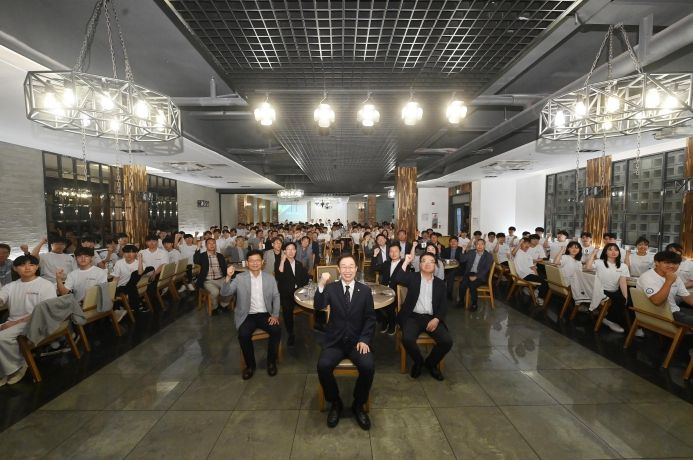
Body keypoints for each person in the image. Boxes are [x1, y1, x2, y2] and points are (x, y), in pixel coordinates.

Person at [314, 255, 376, 430]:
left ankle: (358, 403)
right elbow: (318, 305)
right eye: (344, 267)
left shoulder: (365, 291)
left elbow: (370, 318)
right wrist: (321, 283)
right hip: (335, 341)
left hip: (357, 341)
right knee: (323, 366)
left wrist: (364, 339)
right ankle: (335, 402)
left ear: (356, 269)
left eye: (351, 266)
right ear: (339, 270)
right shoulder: (331, 288)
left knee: (368, 366)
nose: (347, 270)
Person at [221, 250, 281, 380]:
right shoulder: (240, 278)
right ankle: (250, 366)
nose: (255, 263)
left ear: (262, 262)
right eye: (251, 261)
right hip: (247, 315)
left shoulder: (269, 278)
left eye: (257, 260)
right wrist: (228, 277)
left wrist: (275, 315)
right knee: (243, 335)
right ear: (247, 263)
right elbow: (225, 293)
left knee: (276, 330)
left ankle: (271, 362)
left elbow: (276, 296)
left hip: (265, 314)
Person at [394, 253, 452, 380]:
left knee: (447, 341)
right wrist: (406, 262)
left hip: (432, 318)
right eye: (424, 261)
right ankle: (418, 362)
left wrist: (436, 319)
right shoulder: (413, 277)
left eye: (431, 261)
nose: (427, 263)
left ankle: (431, 364)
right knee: (407, 339)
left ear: (435, 265)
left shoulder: (440, 284)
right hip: (412, 317)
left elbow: (443, 306)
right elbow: (398, 278)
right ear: (420, 265)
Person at [0, 255, 57, 386]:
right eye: (22, 265)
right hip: (14, 322)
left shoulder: (46, 285)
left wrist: (13, 323)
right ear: (15, 269)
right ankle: (3, 370)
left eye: (31, 265)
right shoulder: (11, 286)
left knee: (2, 338)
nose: (27, 268)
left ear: (37, 267)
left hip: (36, 322)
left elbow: (45, 311)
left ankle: (17, 366)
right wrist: (11, 323)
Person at [586, 243, 632, 333]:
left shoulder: (623, 266)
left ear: (619, 252)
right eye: (610, 249)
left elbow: (622, 282)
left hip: (614, 290)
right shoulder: (599, 262)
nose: (613, 252)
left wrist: (626, 296)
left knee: (628, 300)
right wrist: (594, 252)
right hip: (601, 290)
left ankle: (632, 327)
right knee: (619, 299)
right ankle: (609, 320)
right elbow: (588, 267)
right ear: (605, 252)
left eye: (616, 250)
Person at [637, 251, 693, 325]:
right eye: (667, 263)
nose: (671, 266)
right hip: (659, 313)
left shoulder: (675, 277)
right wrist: (669, 281)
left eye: (675, 263)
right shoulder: (647, 277)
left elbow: (686, 297)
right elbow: (657, 301)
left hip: (673, 310)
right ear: (657, 262)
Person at [275, 242, 309, 346]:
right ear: (284, 251)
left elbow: (305, 279)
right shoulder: (280, 263)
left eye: (293, 249)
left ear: (295, 251)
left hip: (298, 293)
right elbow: (279, 277)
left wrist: (303, 289)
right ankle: (290, 333)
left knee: (315, 299)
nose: (290, 251)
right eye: (288, 249)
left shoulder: (299, 263)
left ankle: (318, 324)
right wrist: (282, 261)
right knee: (287, 310)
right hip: (286, 294)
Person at [372, 243, 404, 334]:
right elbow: (374, 268)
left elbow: (403, 279)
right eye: (391, 251)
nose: (393, 253)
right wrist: (374, 256)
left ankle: (392, 324)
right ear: (389, 253)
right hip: (383, 291)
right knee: (373, 303)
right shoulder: (386, 263)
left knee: (389, 307)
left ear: (400, 253)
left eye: (396, 251)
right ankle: (384, 321)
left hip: (396, 292)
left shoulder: (404, 264)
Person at [194, 237, 231, 315]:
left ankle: (223, 305)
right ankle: (215, 307)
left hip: (221, 279)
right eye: (209, 243)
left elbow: (224, 267)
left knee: (231, 289)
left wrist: (229, 273)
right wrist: (198, 247)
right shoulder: (202, 256)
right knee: (215, 292)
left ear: (215, 245)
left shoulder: (220, 256)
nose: (212, 245)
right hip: (208, 281)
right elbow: (195, 260)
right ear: (206, 246)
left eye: (213, 243)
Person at [457, 238, 493, 311]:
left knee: (472, 285)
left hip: (481, 275)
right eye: (477, 244)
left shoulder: (488, 255)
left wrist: (476, 276)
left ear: (484, 245)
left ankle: (474, 304)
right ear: (475, 245)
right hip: (469, 273)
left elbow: (486, 269)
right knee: (462, 284)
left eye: (482, 244)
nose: (479, 246)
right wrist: (463, 250)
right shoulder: (471, 252)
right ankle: (461, 301)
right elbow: (462, 260)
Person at [514, 238, 546, 306]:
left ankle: (533, 291)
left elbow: (532, 267)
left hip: (530, 274)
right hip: (524, 275)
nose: (527, 245)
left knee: (544, 279)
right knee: (544, 282)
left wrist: (536, 275)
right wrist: (520, 242)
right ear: (521, 244)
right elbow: (513, 253)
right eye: (525, 243)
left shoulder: (528, 255)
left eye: (528, 244)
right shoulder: (518, 252)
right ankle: (539, 297)